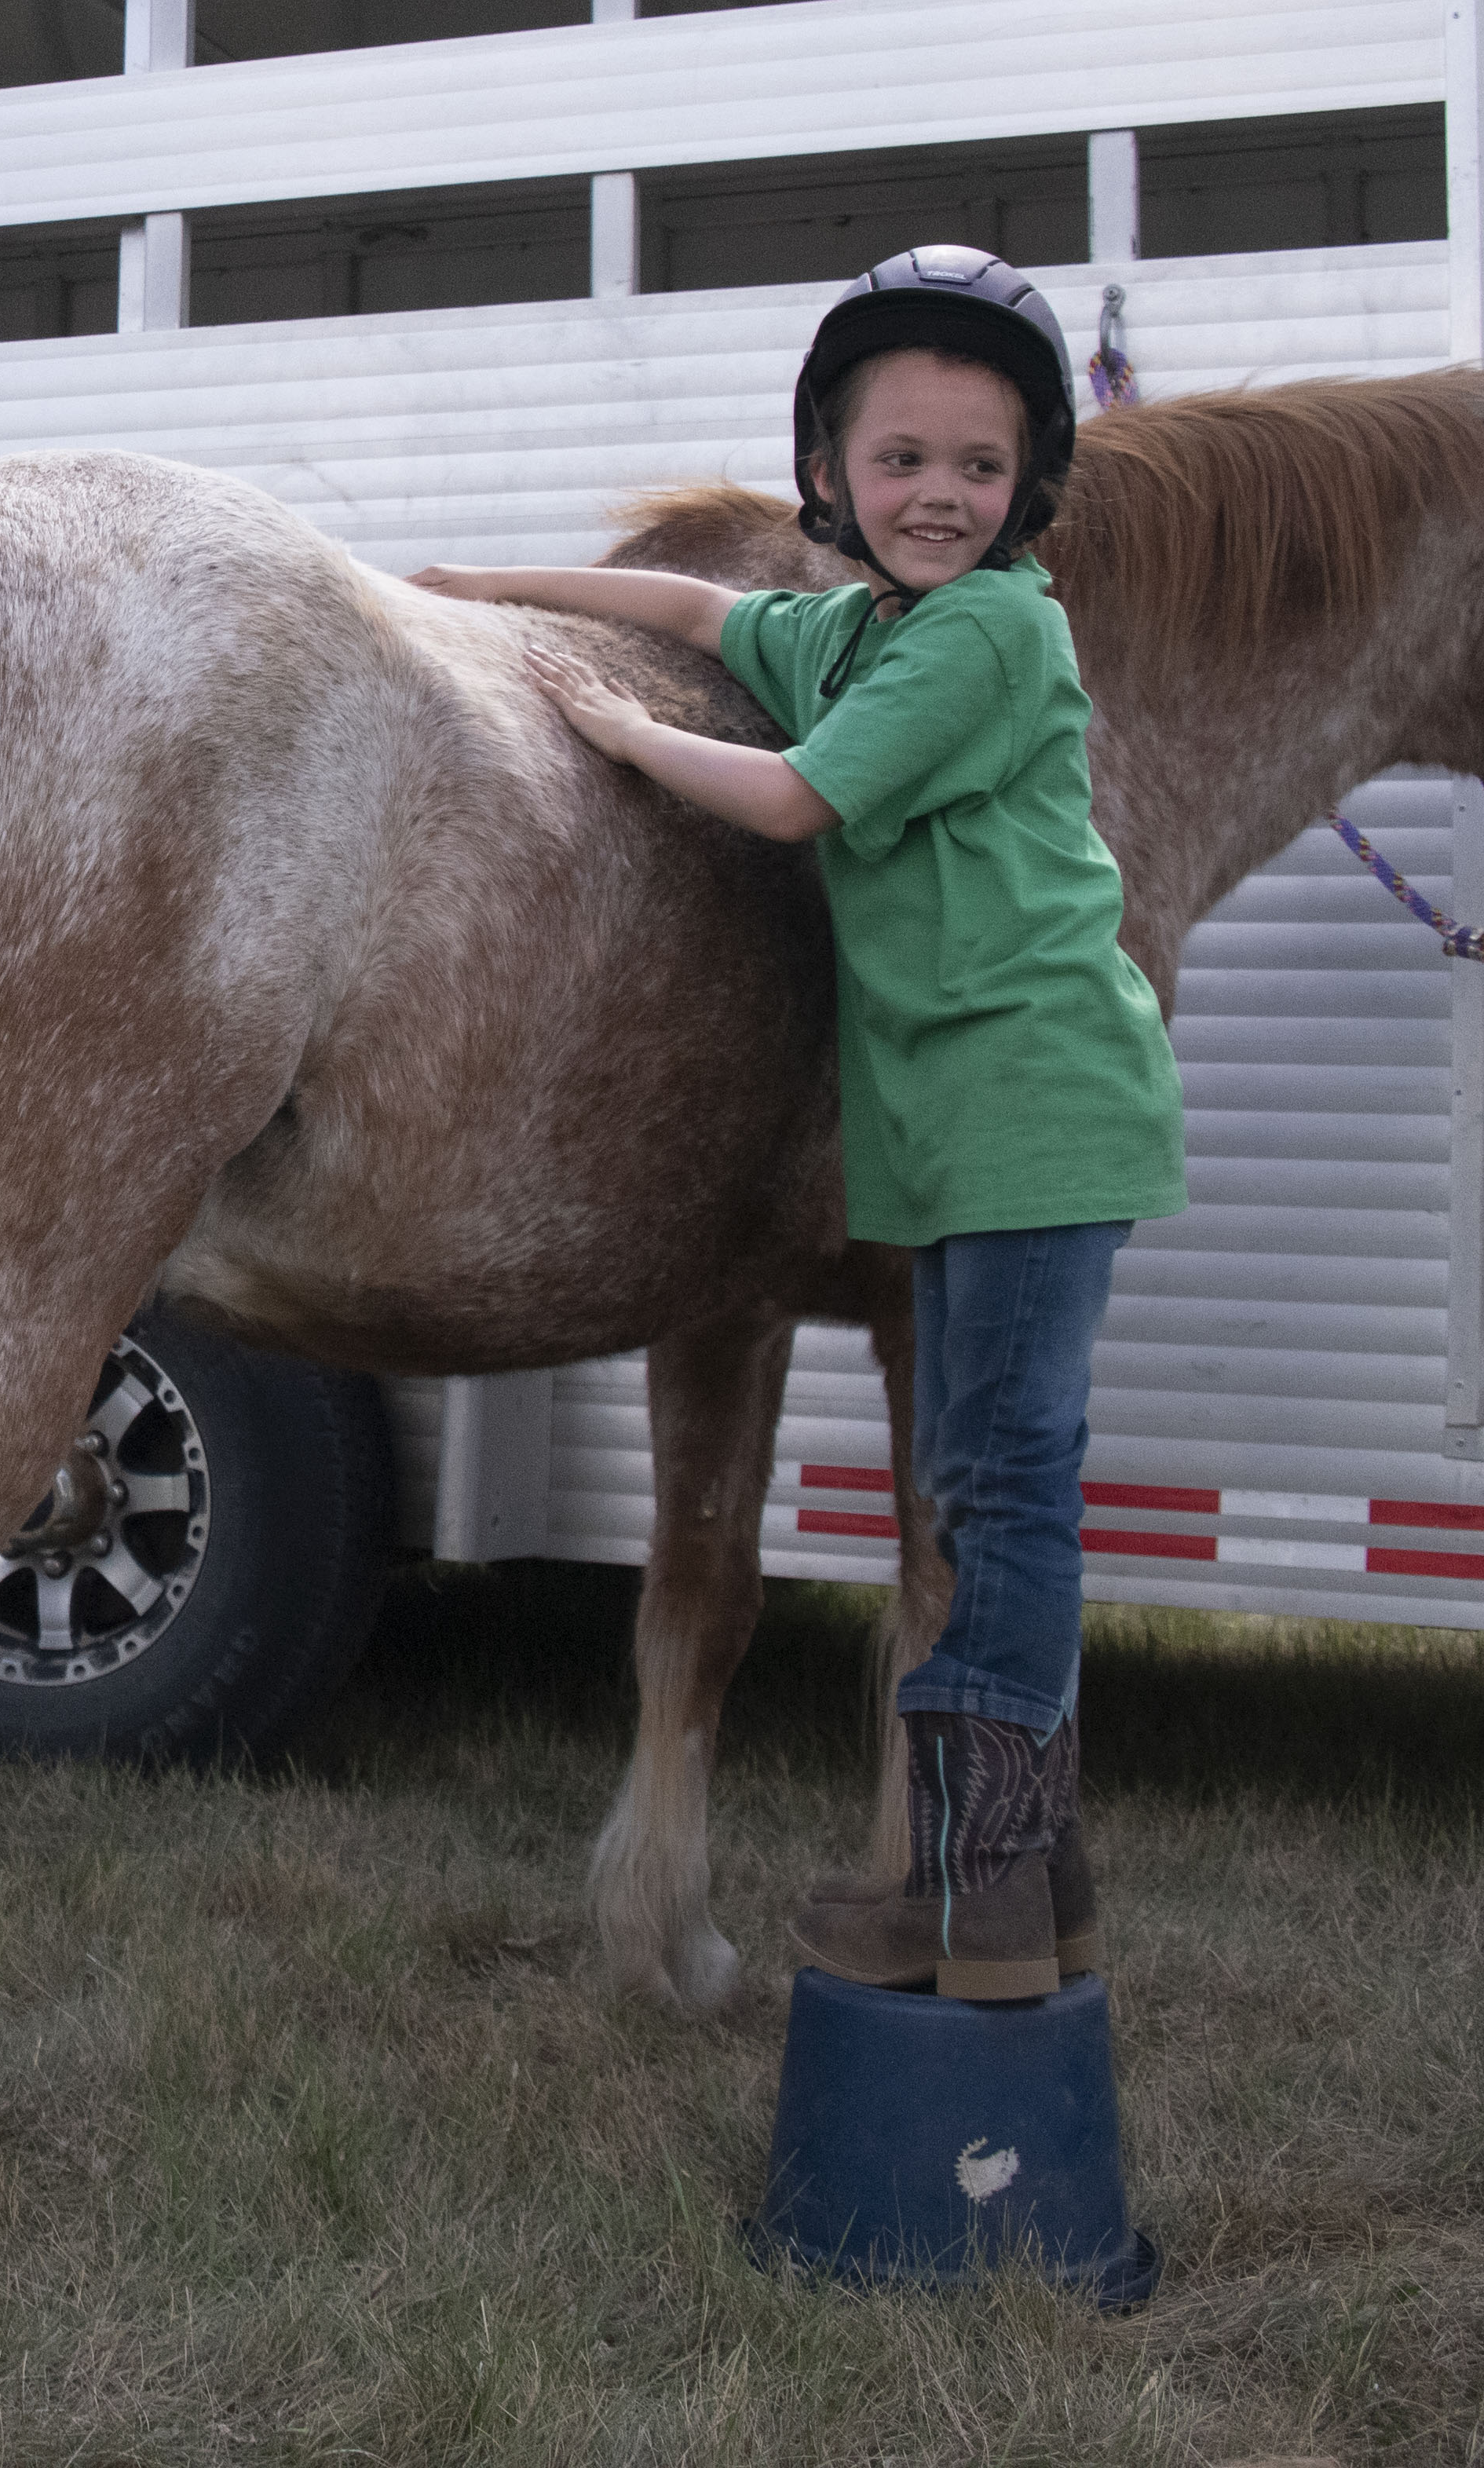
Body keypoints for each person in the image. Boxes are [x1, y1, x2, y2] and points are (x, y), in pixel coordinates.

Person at [408, 244, 1184, 1999]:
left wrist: (597, 729)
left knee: (993, 1492)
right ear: (825, 475)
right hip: (975, 1121)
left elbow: (785, 796)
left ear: (1025, 487)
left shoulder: (991, 630)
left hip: (1037, 1112)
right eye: (898, 459)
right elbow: (692, 613)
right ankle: (1017, 1884)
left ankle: (976, 1881)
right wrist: (479, 595)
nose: (937, 496)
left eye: (977, 467)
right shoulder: (848, 625)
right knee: (985, 1485)